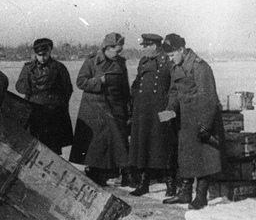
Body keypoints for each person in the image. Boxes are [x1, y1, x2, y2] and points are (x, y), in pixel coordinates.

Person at [158, 34, 226, 210]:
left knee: (204, 158)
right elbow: (174, 92)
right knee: (186, 156)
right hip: (185, 121)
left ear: (181, 49)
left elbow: (209, 99)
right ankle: (185, 193)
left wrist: (205, 126)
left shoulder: (200, 67)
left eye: (173, 54)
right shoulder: (176, 66)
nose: (171, 59)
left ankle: (201, 197)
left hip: (202, 119)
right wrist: (170, 110)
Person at [70, 32, 132, 187]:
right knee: (96, 144)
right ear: (107, 48)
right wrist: (99, 81)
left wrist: (128, 107)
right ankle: (96, 173)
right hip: (94, 108)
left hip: (115, 106)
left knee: (118, 140)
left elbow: (125, 86)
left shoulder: (120, 63)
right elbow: (81, 82)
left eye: (120, 51)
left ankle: (124, 173)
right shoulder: (92, 61)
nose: (118, 54)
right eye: (117, 50)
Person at [128, 33, 178, 197]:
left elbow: (174, 88)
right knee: (143, 146)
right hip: (143, 111)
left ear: (155, 46)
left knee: (165, 146)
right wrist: (134, 100)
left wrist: (170, 109)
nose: (144, 49)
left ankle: (171, 184)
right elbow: (136, 84)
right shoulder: (144, 62)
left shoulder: (168, 61)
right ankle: (144, 183)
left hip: (162, 110)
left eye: (146, 46)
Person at [15, 38, 74, 155]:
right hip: (33, 112)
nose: (42, 58)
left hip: (53, 113)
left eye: (45, 54)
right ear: (35, 54)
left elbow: (68, 89)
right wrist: (28, 84)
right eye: (39, 55)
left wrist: (58, 105)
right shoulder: (28, 68)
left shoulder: (59, 68)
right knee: (33, 146)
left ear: (50, 52)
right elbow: (19, 86)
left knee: (53, 149)